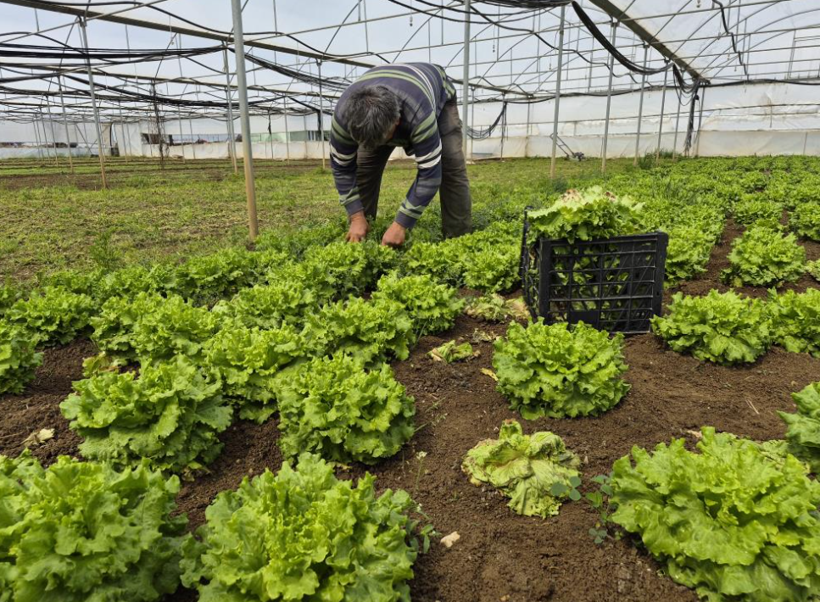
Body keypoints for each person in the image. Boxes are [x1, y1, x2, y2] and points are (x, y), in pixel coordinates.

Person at [329, 62, 472, 247]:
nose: (380, 145)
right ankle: (363, 232)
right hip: (389, 96)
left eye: (384, 138)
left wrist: (401, 224)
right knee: (364, 167)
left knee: (450, 164)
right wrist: (356, 216)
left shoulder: (419, 112)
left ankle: (458, 239)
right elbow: (342, 169)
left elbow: (430, 174)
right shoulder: (343, 117)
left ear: (397, 121)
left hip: (436, 96)